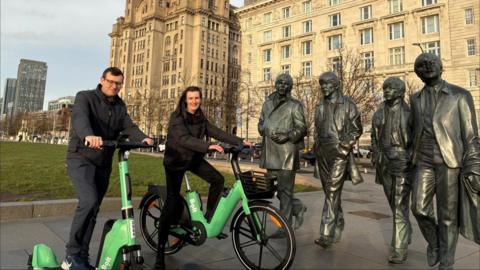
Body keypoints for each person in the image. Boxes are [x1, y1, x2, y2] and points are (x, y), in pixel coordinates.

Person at [63, 67, 153, 269]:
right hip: (81, 157)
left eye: (118, 83)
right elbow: (80, 119)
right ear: (102, 80)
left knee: (94, 209)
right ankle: (71, 254)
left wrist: (144, 138)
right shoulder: (85, 97)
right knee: (88, 200)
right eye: (111, 82)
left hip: (103, 161)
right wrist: (88, 135)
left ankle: (82, 256)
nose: (114, 86)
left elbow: (129, 126)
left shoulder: (120, 106)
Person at [154, 86, 252, 270]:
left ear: (200, 99)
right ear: (185, 100)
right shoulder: (177, 118)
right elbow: (184, 139)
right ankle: (160, 251)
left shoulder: (200, 117)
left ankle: (208, 217)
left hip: (193, 159)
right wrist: (208, 146)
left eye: (197, 98)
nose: (194, 101)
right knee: (172, 201)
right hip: (176, 161)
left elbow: (216, 131)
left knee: (218, 180)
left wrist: (239, 141)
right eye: (190, 98)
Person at [410, 53, 480, 270]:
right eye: (422, 64)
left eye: (432, 62)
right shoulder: (415, 99)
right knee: (419, 208)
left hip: (449, 160)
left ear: (442, 67)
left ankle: (447, 263)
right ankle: (435, 244)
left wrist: (474, 166)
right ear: (418, 72)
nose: (428, 66)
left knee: (448, 216)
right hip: (423, 159)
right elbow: (414, 130)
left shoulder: (460, 95)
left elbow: (471, 136)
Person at [313, 71, 363, 248]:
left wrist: (344, 147)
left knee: (333, 191)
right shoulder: (319, 106)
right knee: (329, 192)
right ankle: (339, 221)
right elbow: (317, 131)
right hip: (323, 154)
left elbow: (356, 130)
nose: (324, 87)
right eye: (322, 84)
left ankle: (326, 233)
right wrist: (315, 149)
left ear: (336, 85)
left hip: (339, 154)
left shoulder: (348, 104)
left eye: (327, 84)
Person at [258, 73, 307, 230]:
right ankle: (298, 207)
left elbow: (302, 128)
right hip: (271, 152)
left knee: (285, 191)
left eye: (286, 84)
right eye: (279, 83)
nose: (282, 86)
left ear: (290, 87)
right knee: (274, 189)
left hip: (287, 153)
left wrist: (287, 135)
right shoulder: (267, 104)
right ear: (275, 84)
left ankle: (285, 227)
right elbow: (261, 122)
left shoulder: (295, 105)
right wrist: (263, 128)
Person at [371, 77, 412, 263]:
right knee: (393, 203)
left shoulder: (410, 113)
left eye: (391, 88)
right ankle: (405, 232)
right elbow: (374, 136)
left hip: (402, 160)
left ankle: (399, 248)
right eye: (385, 88)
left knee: (399, 205)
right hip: (385, 160)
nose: (386, 91)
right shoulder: (379, 113)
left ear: (401, 92)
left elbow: (418, 138)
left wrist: (411, 158)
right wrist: (376, 154)